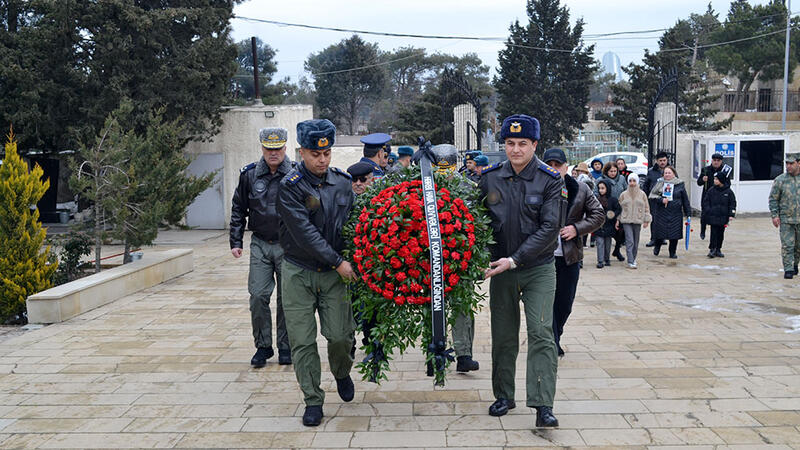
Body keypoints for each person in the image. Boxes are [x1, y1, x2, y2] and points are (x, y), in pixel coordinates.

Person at [480, 114, 565, 428]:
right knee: (503, 337)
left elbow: (549, 228)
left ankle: (543, 404)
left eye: (522, 144)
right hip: (500, 270)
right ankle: (504, 395)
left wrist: (514, 259)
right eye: (510, 143)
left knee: (542, 334)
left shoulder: (550, 179)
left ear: (534, 145)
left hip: (538, 269)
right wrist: (478, 256)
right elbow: (477, 223)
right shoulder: (488, 178)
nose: (515, 150)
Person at [278, 119, 357, 427]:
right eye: (315, 154)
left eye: (326, 153)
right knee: (302, 340)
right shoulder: (290, 187)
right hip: (299, 271)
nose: (322, 160)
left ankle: (341, 371)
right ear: (302, 152)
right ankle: (313, 399)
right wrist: (340, 262)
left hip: (334, 275)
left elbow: (354, 223)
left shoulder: (342, 183)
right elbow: (304, 234)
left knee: (340, 336)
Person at [230, 127, 294, 368]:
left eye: (278, 148)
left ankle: (286, 346)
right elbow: (238, 208)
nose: (274, 153)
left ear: (285, 148)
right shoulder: (249, 175)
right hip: (260, 243)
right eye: (269, 148)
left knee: (287, 299)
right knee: (258, 296)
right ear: (262, 148)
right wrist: (235, 241)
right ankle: (263, 346)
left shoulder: (295, 174)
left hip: (288, 245)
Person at [544, 148, 603, 357]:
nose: (553, 169)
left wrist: (576, 228)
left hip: (569, 256)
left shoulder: (580, 189)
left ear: (565, 167)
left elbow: (598, 214)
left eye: (557, 165)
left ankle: (556, 333)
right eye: (548, 165)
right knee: (544, 303)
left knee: (565, 303)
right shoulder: (534, 187)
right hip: (542, 258)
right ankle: (552, 342)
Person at [768, 152, 800, 279]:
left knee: (798, 246)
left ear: (799, 163)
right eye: (787, 163)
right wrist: (774, 215)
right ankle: (788, 269)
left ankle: (795, 264)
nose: (788, 166)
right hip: (786, 219)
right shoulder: (780, 180)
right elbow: (773, 199)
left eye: (791, 163)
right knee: (787, 245)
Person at [648, 166, 690, 259]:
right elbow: (652, 196)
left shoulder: (680, 184)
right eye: (665, 173)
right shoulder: (660, 183)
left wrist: (688, 213)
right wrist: (661, 200)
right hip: (662, 212)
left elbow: (685, 200)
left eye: (669, 173)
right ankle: (657, 246)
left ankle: (672, 252)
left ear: (674, 174)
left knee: (674, 234)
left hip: (675, 213)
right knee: (660, 232)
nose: (667, 175)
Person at [617, 174, 651, 268]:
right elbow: (619, 208)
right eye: (630, 181)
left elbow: (647, 207)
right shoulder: (623, 194)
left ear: (637, 181)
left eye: (634, 181)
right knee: (630, 240)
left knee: (636, 241)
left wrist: (646, 220)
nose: (632, 183)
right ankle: (630, 260)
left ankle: (633, 258)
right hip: (626, 220)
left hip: (638, 220)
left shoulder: (642, 194)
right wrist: (618, 219)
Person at [697, 153, 733, 240]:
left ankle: (716, 233)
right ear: (712, 161)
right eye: (714, 160)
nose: (716, 162)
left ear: (721, 161)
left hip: (719, 196)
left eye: (718, 161)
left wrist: (722, 185)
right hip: (708, 196)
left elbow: (728, 184)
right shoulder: (706, 170)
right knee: (705, 214)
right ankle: (703, 230)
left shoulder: (724, 171)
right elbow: (699, 182)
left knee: (717, 216)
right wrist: (703, 179)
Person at [702, 171, 736, 258]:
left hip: (723, 217)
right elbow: (706, 202)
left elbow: (732, 203)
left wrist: (731, 214)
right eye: (714, 179)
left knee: (721, 233)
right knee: (713, 233)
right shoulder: (711, 190)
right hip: (713, 216)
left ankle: (718, 249)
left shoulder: (728, 192)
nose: (715, 180)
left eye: (716, 179)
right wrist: (708, 210)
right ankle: (712, 249)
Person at [598, 162, 627, 261]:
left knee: (621, 233)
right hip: (607, 210)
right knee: (609, 234)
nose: (613, 173)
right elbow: (595, 193)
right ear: (606, 171)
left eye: (615, 171)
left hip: (619, 208)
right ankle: (603, 257)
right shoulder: (601, 180)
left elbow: (626, 190)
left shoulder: (622, 179)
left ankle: (617, 250)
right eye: (611, 171)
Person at [643, 152, 669, 247]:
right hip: (654, 198)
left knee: (664, 219)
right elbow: (646, 185)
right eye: (660, 161)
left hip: (666, 198)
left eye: (664, 160)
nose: (662, 162)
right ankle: (653, 238)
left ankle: (662, 238)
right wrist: (645, 196)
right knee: (654, 219)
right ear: (657, 161)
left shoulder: (670, 170)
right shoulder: (651, 171)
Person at [594, 180, 620, 268]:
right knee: (600, 243)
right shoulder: (596, 199)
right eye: (599, 188)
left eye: (603, 188)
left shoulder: (612, 200)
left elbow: (618, 209)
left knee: (607, 243)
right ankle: (600, 260)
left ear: (607, 189)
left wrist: (613, 214)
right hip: (599, 225)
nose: (601, 190)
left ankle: (607, 259)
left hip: (609, 225)